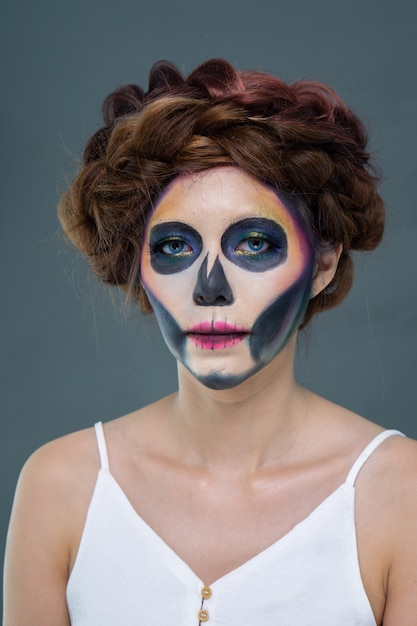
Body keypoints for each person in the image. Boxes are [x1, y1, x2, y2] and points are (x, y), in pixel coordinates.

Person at [3, 59, 417, 626]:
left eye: (253, 243)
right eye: (175, 247)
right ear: (138, 268)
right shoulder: (61, 484)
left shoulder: (402, 494)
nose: (210, 289)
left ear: (323, 263)